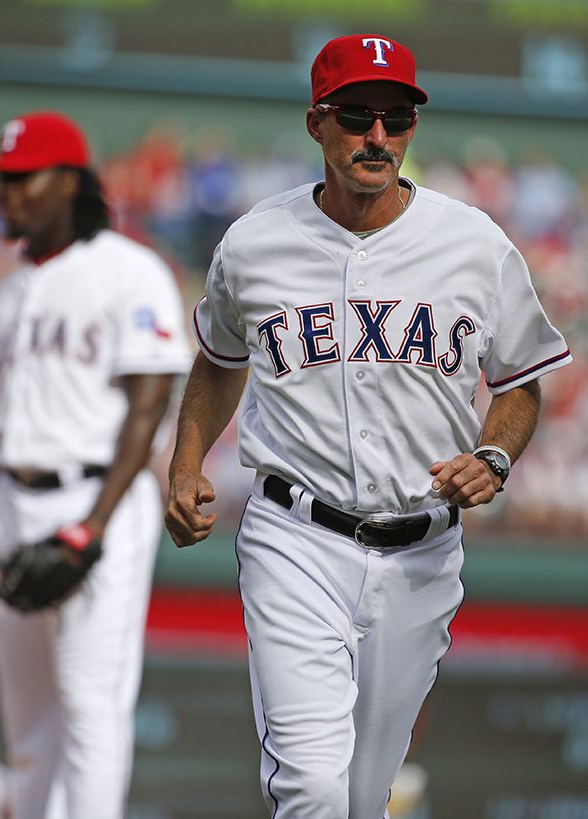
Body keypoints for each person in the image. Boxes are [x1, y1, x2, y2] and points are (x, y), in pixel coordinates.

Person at [164, 34, 572, 819]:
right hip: (296, 536)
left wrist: (494, 452)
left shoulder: (474, 243)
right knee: (311, 785)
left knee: (361, 796)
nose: (378, 137)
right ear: (318, 122)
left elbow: (522, 382)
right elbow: (219, 358)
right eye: (358, 116)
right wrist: (186, 463)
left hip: (421, 550)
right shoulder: (255, 241)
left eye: (397, 118)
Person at [0, 111, 191, 819]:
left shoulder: (129, 270)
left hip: (95, 497)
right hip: (11, 504)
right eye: (3, 179)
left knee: (91, 703)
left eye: (25, 178)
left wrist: (92, 526)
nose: (8, 193)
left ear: (72, 183)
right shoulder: (11, 291)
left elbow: (148, 409)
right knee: (28, 723)